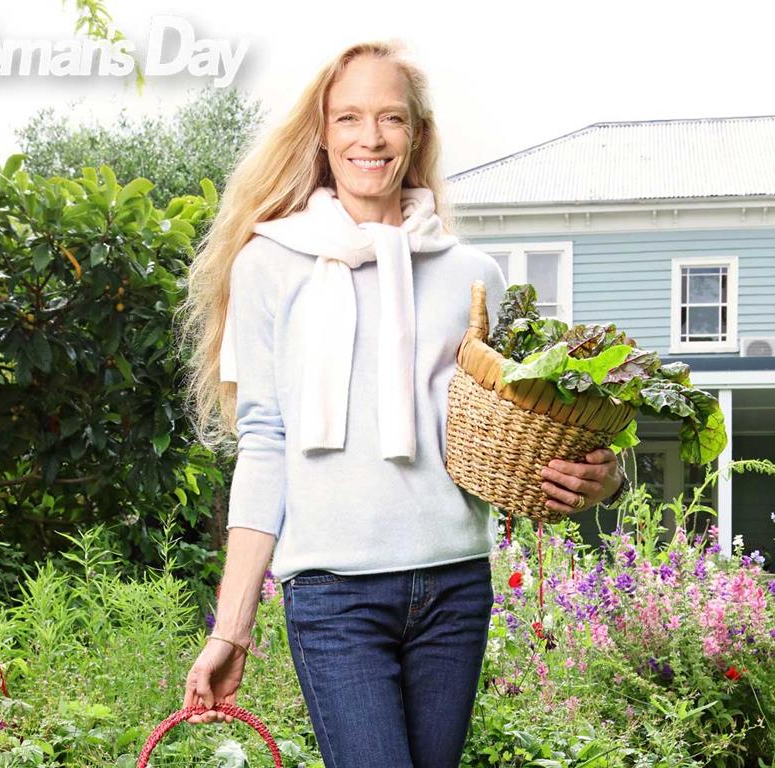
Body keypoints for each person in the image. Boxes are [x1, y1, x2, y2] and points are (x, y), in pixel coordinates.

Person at [176, 39, 625, 768]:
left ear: (417, 135)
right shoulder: (269, 264)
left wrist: (600, 476)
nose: (370, 137)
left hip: (453, 588)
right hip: (334, 597)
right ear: (323, 134)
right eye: (349, 117)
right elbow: (264, 443)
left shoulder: (472, 275)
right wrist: (232, 627)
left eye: (391, 118)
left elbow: (524, 432)